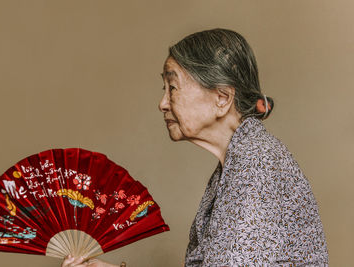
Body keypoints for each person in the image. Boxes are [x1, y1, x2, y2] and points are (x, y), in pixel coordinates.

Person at [62, 28, 329, 267]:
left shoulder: (256, 169)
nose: (163, 103)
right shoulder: (241, 158)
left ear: (222, 98)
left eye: (173, 87)